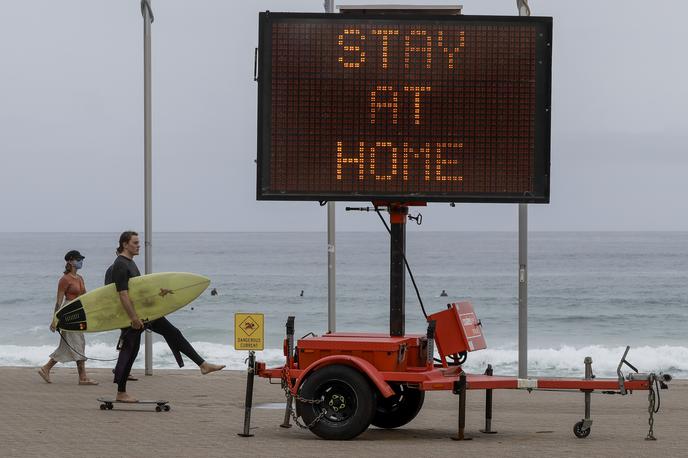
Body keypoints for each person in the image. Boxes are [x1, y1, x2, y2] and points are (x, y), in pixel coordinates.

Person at [109, 231, 225, 402]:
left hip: (146, 314)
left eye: (138, 242)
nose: (138, 245)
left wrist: (160, 296)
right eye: (135, 242)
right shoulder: (120, 265)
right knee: (130, 352)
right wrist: (133, 318)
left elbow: (138, 291)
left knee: (173, 333)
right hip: (134, 317)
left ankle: (203, 365)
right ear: (125, 244)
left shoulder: (130, 263)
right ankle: (121, 392)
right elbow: (123, 294)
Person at [38, 250, 99, 385]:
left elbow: (85, 297)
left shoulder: (80, 278)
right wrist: (55, 320)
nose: (81, 261)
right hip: (68, 313)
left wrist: (92, 311)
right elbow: (59, 302)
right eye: (78, 259)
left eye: (82, 259)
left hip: (79, 312)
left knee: (69, 345)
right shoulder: (64, 280)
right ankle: (82, 378)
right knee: (78, 343)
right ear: (70, 261)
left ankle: (45, 368)